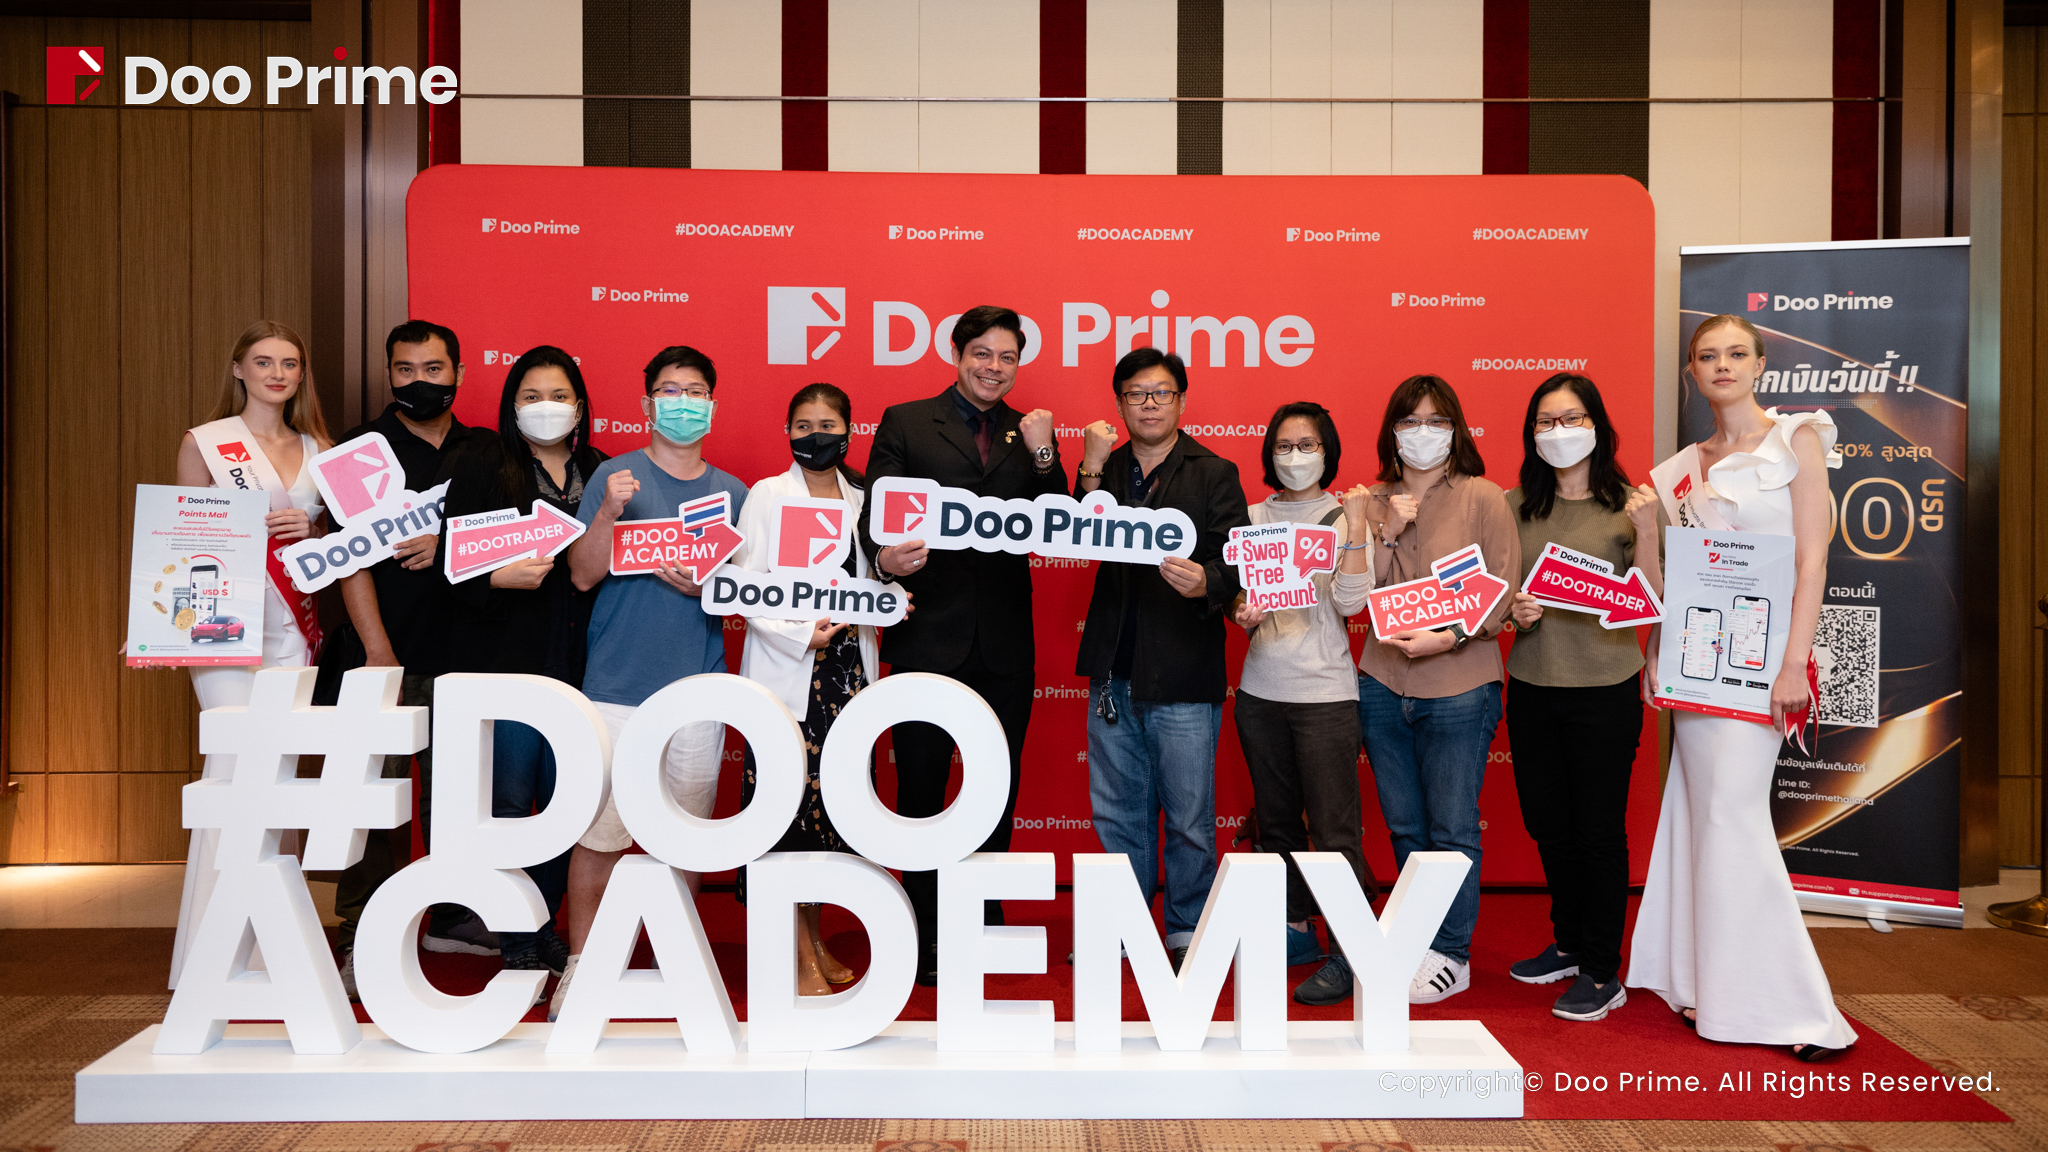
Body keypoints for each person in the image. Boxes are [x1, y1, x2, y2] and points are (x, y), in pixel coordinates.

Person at [1627, 315, 1855, 1060]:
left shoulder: (1797, 439)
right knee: (1699, 817)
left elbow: (1814, 561)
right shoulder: (1678, 471)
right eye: (1707, 356)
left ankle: (1798, 1011)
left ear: (1759, 364)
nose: (1721, 365)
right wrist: (1655, 650)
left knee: (1733, 819)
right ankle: (1706, 984)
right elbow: (1676, 585)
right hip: (1698, 664)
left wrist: (1794, 663)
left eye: (1735, 354)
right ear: (1691, 372)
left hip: (1766, 665)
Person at [859, 305, 1067, 986]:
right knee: (920, 789)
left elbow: (1058, 519)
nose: (993, 368)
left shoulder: (1028, 431)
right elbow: (873, 519)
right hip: (927, 637)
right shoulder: (907, 421)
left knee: (994, 788)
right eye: (982, 353)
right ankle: (921, 926)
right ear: (957, 353)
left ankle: (981, 919)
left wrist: (1044, 450)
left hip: (1004, 643)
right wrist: (885, 560)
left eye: (1007, 358)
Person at [552, 344, 749, 1020]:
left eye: (695, 391)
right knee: (599, 835)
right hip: (614, 686)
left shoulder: (734, 494)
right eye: (669, 390)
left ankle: (678, 965)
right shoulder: (615, 475)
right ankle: (582, 967)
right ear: (646, 404)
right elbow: (581, 575)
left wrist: (710, 587)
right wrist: (607, 512)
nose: (682, 403)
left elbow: (750, 593)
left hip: (697, 688)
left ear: (712, 404)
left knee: (683, 839)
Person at [330, 320, 500, 995]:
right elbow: (349, 558)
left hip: (469, 655)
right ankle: (362, 931)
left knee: (460, 798)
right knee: (376, 803)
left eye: (434, 369)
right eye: (406, 370)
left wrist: (449, 542)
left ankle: (452, 917)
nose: (420, 381)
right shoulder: (360, 451)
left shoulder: (487, 449)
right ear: (388, 374)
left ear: (458, 372)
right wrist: (378, 649)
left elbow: (506, 539)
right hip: (386, 654)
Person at [437, 345, 610, 984]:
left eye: (559, 396)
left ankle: (543, 922)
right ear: (513, 407)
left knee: (570, 803)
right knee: (509, 802)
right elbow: (450, 567)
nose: (546, 407)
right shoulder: (484, 464)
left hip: (581, 664)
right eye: (532, 396)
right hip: (505, 662)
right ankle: (517, 936)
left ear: (580, 407)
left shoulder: (600, 469)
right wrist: (495, 578)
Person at [169, 320, 333, 988]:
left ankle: (272, 951)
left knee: (277, 779)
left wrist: (314, 526)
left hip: (294, 631)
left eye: (289, 363)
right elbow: (185, 538)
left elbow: (344, 543)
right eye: (263, 362)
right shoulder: (207, 443)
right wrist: (158, 624)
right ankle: (213, 954)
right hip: (224, 629)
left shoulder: (321, 450)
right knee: (233, 771)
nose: (277, 374)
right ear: (238, 368)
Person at [1074, 348, 1248, 972]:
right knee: (1117, 813)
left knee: (1191, 817)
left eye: (1161, 392)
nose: (1149, 404)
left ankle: (1187, 926)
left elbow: (1238, 559)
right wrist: (1090, 468)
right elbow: (1073, 530)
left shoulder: (1214, 471)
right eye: (1136, 393)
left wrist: (1210, 582)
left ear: (1181, 401)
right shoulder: (1105, 467)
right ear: (1119, 403)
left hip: (1184, 668)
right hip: (1113, 666)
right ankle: (1123, 925)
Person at [1501, 373, 1663, 1022]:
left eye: (1571, 418)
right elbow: (1498, 595)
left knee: (1597, 830)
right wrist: (1514, 613)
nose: (1558, 432)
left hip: (1605, 688)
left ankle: (1601, 968)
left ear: (1597, 425)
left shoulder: (1633, 505)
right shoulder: (1514, 505)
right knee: (1548, 822)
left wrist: (1647, 532)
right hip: (1532, 685)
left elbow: (1653, 600)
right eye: (1545, 422)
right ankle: (1568, 943)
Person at [1355, 374, 1519, 1005]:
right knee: (1404, 825)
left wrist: (1447, 637)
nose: (1422, 433)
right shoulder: (1371, 500)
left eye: (1436, 421)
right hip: (1381, 680)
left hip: (1459, 683)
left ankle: (1452, 951)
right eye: (1410, 421)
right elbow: (1355, 590)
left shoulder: (1483, 497)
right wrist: (1387, 531)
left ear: (1456, 429)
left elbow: (1500, 590)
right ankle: (1415, 939)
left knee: (1451, 827)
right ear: (1391, 431)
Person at [731, 383, 882, 997]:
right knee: (786, 814)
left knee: (829, 819)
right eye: (802, 425)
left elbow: (874, 580)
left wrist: (892, 599)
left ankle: (814, 938)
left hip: (848, 676)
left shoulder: (866, 498)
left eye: (827, 424)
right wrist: (799, 633)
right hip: (789, 667)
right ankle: (794, 954)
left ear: (849, 430)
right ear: (787, 432)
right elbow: (743, 585)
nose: (814, 435)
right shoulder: (768, 495)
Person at [1229, 402, 1376, 1005]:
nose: (1295, 456)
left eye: (1307, 445)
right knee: (1277, 825)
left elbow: (1350, 603)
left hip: (1325, 695)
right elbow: (1237, 597)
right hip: (1260, 691)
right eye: (1284, 446)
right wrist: (1240, 611)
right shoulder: (1252, 517)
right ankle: (1295, 930)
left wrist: (1358, 529)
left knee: (1335, 829)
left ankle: (1350, 950)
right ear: (1270, 454)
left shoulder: (1344, 515)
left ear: (1326, 451)